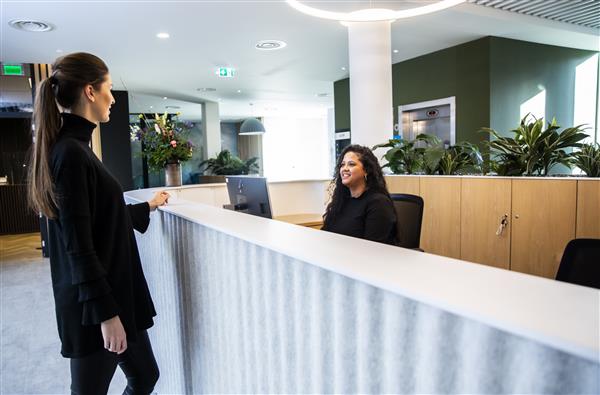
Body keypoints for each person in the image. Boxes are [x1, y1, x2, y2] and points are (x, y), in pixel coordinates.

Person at [27, 52, 169, 395]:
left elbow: (101, 218)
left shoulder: (76, 149)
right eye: (108, 89)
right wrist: (107, 316)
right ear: (90, 92)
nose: (113, 99)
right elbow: (79, 247)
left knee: (144, 377)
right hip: (95, 308)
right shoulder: (71, 154)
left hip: (111, 296)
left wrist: (148, 206)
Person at [322, 144, 397, 246]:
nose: (345, 168)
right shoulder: (341, 200)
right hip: (338, 257)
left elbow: (372, 248)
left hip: (363, 259)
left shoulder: (378, 203)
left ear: (366, 170)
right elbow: (325, 234)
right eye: (342, 165)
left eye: (351, 164)